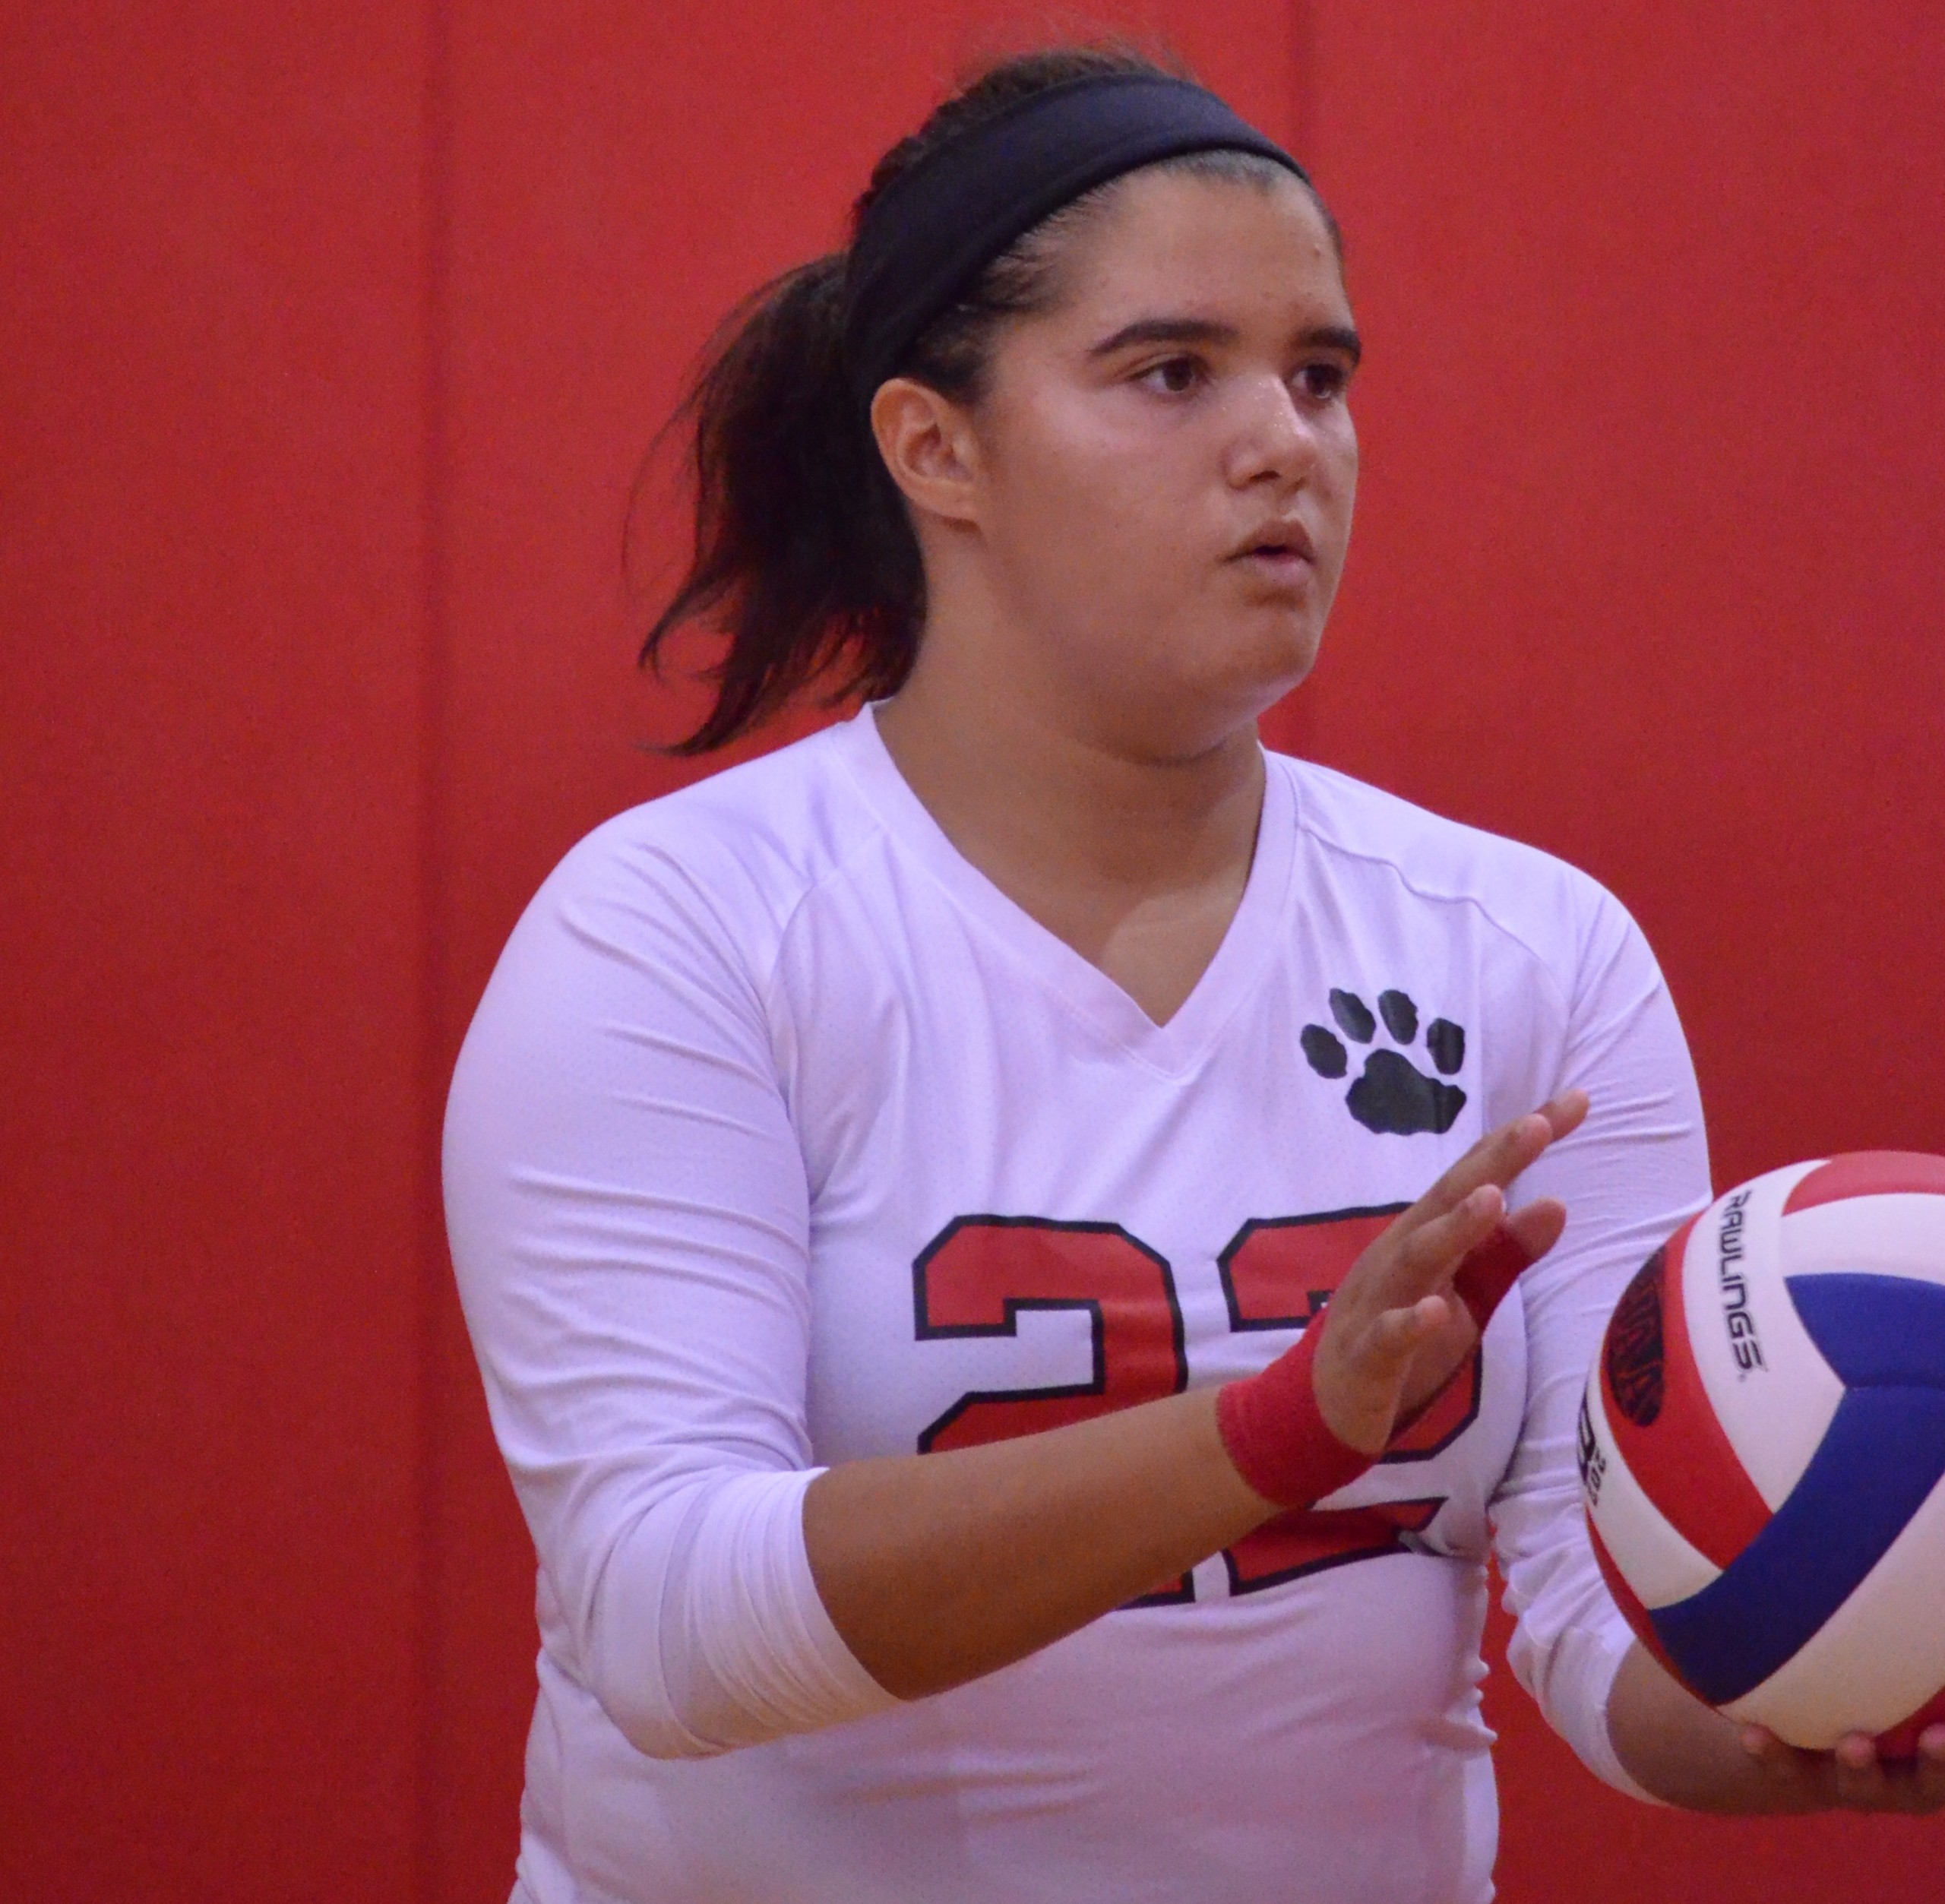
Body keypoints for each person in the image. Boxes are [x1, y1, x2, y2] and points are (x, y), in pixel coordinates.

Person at [442, 45, 1945, 1904]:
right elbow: (668, 1625)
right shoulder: (681, 929)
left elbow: (1585, 1607)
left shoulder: (1524, 947)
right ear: (933, 448)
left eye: (1318, 375)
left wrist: (1812, 1706)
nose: (1282, 442)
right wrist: (1277, 1428)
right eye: (1171, 371)